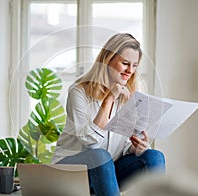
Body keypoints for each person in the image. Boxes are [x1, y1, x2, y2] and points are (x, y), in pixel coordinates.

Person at [51, 33, 165, 196]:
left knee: (154, 156)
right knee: (100, 156)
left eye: (134, 65)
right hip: (72, 170)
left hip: (107, 170)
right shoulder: (79, 92)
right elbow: (90, 142)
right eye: (125, 63)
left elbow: (120, 145)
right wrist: (109, 99)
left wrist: (135, 147)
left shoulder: (128, 96)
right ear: (108, 60)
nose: (130, 71)